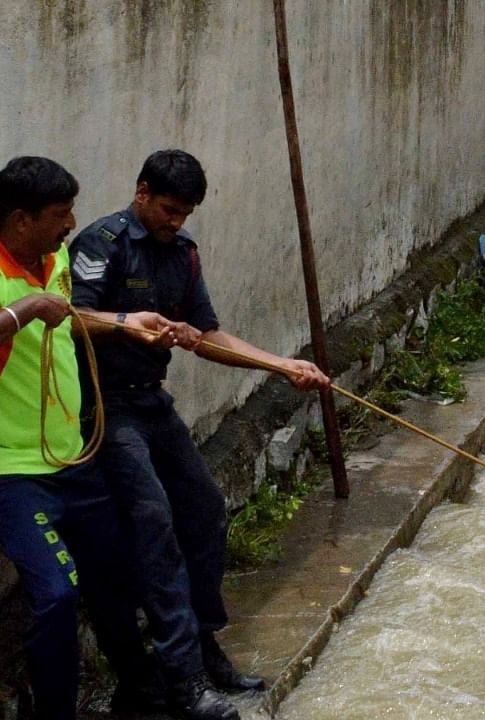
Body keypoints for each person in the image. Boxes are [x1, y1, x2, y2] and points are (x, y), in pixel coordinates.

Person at [69, 149, 327, 703]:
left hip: (152, 403)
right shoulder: (102, 244)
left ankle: (206, 644)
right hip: (105, 409)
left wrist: (281, 366)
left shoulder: (182, 253)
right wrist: (128, 326)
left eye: (185, 213)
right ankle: (182, 675)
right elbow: (68, 319)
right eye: (168, 209)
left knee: (205, 508)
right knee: (153, 521)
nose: (176, 221)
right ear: (141, 193)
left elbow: (208, 334)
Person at [0, 155, 238, 720]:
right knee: (59, 594)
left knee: (123, 570)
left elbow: (74, 317)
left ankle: (148, 685)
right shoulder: (84, 251)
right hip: (14, 471)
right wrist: (26, 308)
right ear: (20, 219)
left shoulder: (53, 257)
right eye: (60, 214)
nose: (70, 224)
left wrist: (127, 322)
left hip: (73, 458)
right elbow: (41, 313)